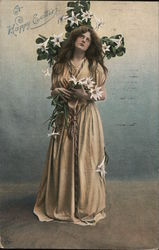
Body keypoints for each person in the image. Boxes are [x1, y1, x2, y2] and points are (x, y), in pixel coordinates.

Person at [33, 25, 109, 226]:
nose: (84, 40)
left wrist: (86, 95)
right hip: (65, 118)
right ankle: (64, 204)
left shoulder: (94, 66)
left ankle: (85, 205)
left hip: (87, 118)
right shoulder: (60, 66)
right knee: (64, 156)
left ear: (91, 45)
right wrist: (58, 91)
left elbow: (102, 94)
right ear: (74, 39)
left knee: (87, 157)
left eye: (88, 39)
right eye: (81, 37)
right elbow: (53, 90)